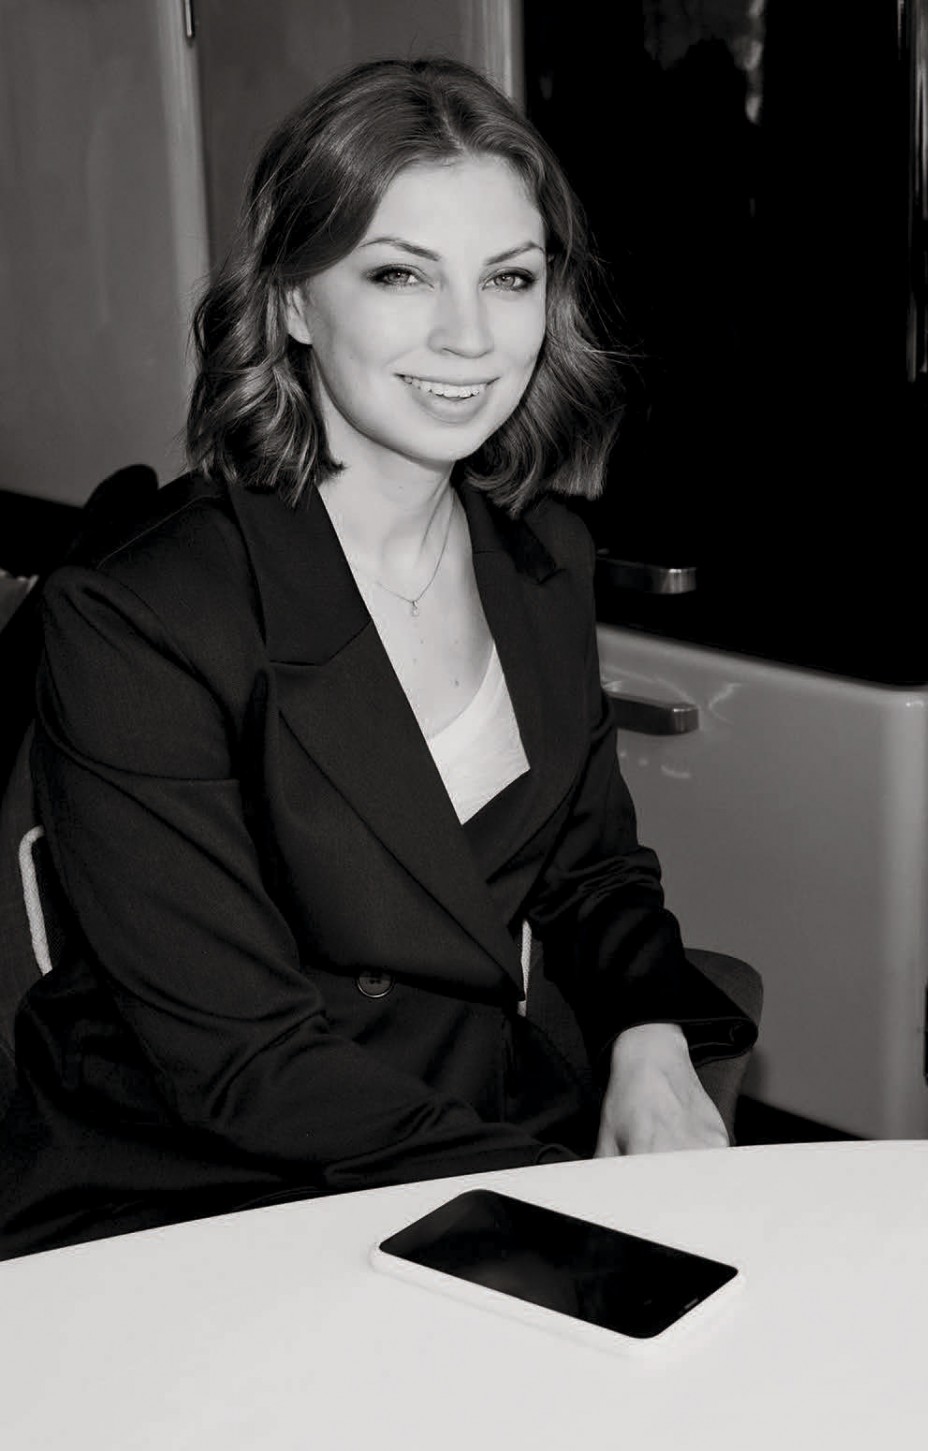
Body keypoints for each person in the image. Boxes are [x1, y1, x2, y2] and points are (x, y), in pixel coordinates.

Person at [0, 58, 755, 1258]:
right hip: (195, 1202)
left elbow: (589, 871)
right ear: (295, 301)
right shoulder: (142, 614)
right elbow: (242, 1061)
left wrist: (651, 1032)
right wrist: (566, 1201)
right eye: (400, 273)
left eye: (508, 277)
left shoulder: (542, 558)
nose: (468, 334)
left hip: (464, 1129)